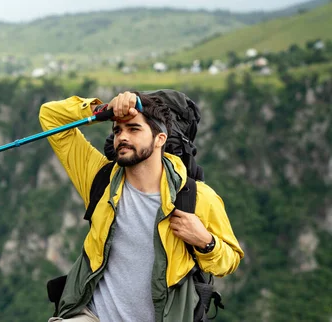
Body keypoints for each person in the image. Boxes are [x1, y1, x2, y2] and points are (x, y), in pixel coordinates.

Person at [38, 91, 244, 322]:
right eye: (117, 130)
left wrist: (205, 242)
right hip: (93, 316)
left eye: (134, 129)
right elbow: (50, 116)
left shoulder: (195, 197)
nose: (122, 137)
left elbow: (230, 260)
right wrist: (101, 110)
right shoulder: (100, 180)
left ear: (160, 139)